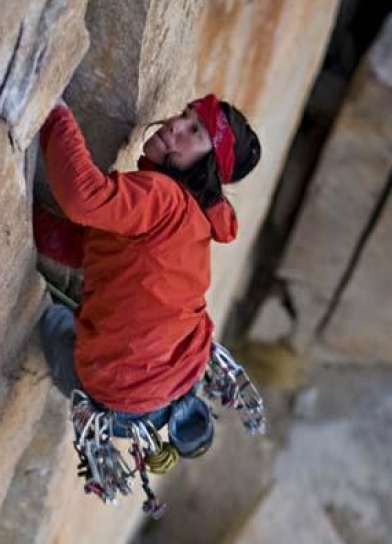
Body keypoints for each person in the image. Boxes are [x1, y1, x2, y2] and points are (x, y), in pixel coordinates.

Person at [34, 94, 262, 462]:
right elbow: (107, 255)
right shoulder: (195, 223)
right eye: (185, 115)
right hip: (153, 395)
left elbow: (83, 197)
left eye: (195, 132)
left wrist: (54, 110)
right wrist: (34, 227)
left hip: (117, 393)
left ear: (205, 165)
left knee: (50, 318)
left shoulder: (164, 198)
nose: (175, 124)